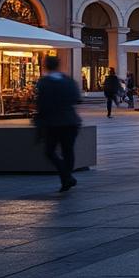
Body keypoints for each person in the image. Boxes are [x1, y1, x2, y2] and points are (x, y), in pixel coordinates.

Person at [33, 55, 82, 192]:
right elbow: (77, 98)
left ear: (46, 66)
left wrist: (39, 122)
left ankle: (66, 177)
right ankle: (67, 177)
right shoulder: (69, 81)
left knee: (50, 151)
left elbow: (41, 104)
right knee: (68, 151)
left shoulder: (44, 83)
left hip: (53, 123)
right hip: (70, 121)